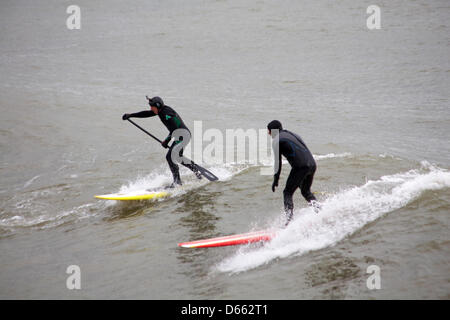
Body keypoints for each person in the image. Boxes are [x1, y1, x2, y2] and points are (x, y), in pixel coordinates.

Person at [122, 96, 202, 187]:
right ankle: (196, 169)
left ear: (157, 106)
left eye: (152, 106)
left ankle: (177, 182)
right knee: (178, 157)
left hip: (183, 135)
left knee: (170, 157)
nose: (151, 108)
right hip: (180, 135)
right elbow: (146, 114)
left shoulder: (166, 114)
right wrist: (131, 115)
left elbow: (174, 129)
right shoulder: (160, 111)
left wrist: (166, 141)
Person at [268, 120, 320, 225]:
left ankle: (289, 222)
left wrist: (276, 179)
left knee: (287, 192)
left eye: (269, 131)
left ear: (272, 131)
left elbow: (278, 162)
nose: (268, 134)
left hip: (301, 167)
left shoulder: (277, 141)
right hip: (312, 165)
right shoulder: (293, 134)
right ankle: (320, 211)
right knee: (305, 192)